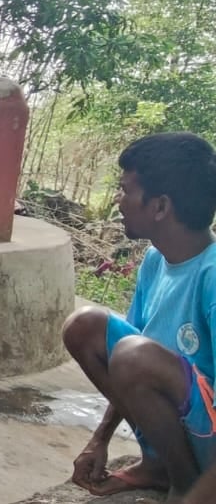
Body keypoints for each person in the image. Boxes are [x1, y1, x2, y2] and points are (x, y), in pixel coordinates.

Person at [61, 132, 216, 502]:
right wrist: (101, 438)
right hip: (183, 417)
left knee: (133, 354)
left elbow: (133, 359)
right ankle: (160, 464)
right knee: (84, 327)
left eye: (125, 190)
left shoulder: (211, 276)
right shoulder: (155, 260)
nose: (118, 200)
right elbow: (123, 362)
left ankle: (185, 483)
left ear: (160, 206)